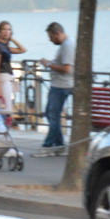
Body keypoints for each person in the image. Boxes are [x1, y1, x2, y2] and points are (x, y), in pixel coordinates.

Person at [34, 22, 74, 156]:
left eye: (51, 37)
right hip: (59, 84)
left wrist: (49, 64)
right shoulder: (65, 45)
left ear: (57, 34)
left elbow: (67, 68)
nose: (50, 40)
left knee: (53, 115)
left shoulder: (67, 46)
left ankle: (48, 146)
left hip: (62, 85)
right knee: (51, 115)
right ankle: (59, 145)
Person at [0, 20, 26, 110]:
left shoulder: (5, 46)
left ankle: (7, 122)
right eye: (4, 29)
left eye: (8, 30)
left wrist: (11, 39)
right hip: (2, 77)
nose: (6, 32)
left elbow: (23, 50)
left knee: (8, 104)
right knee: (5, 106)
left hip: (8, 77)